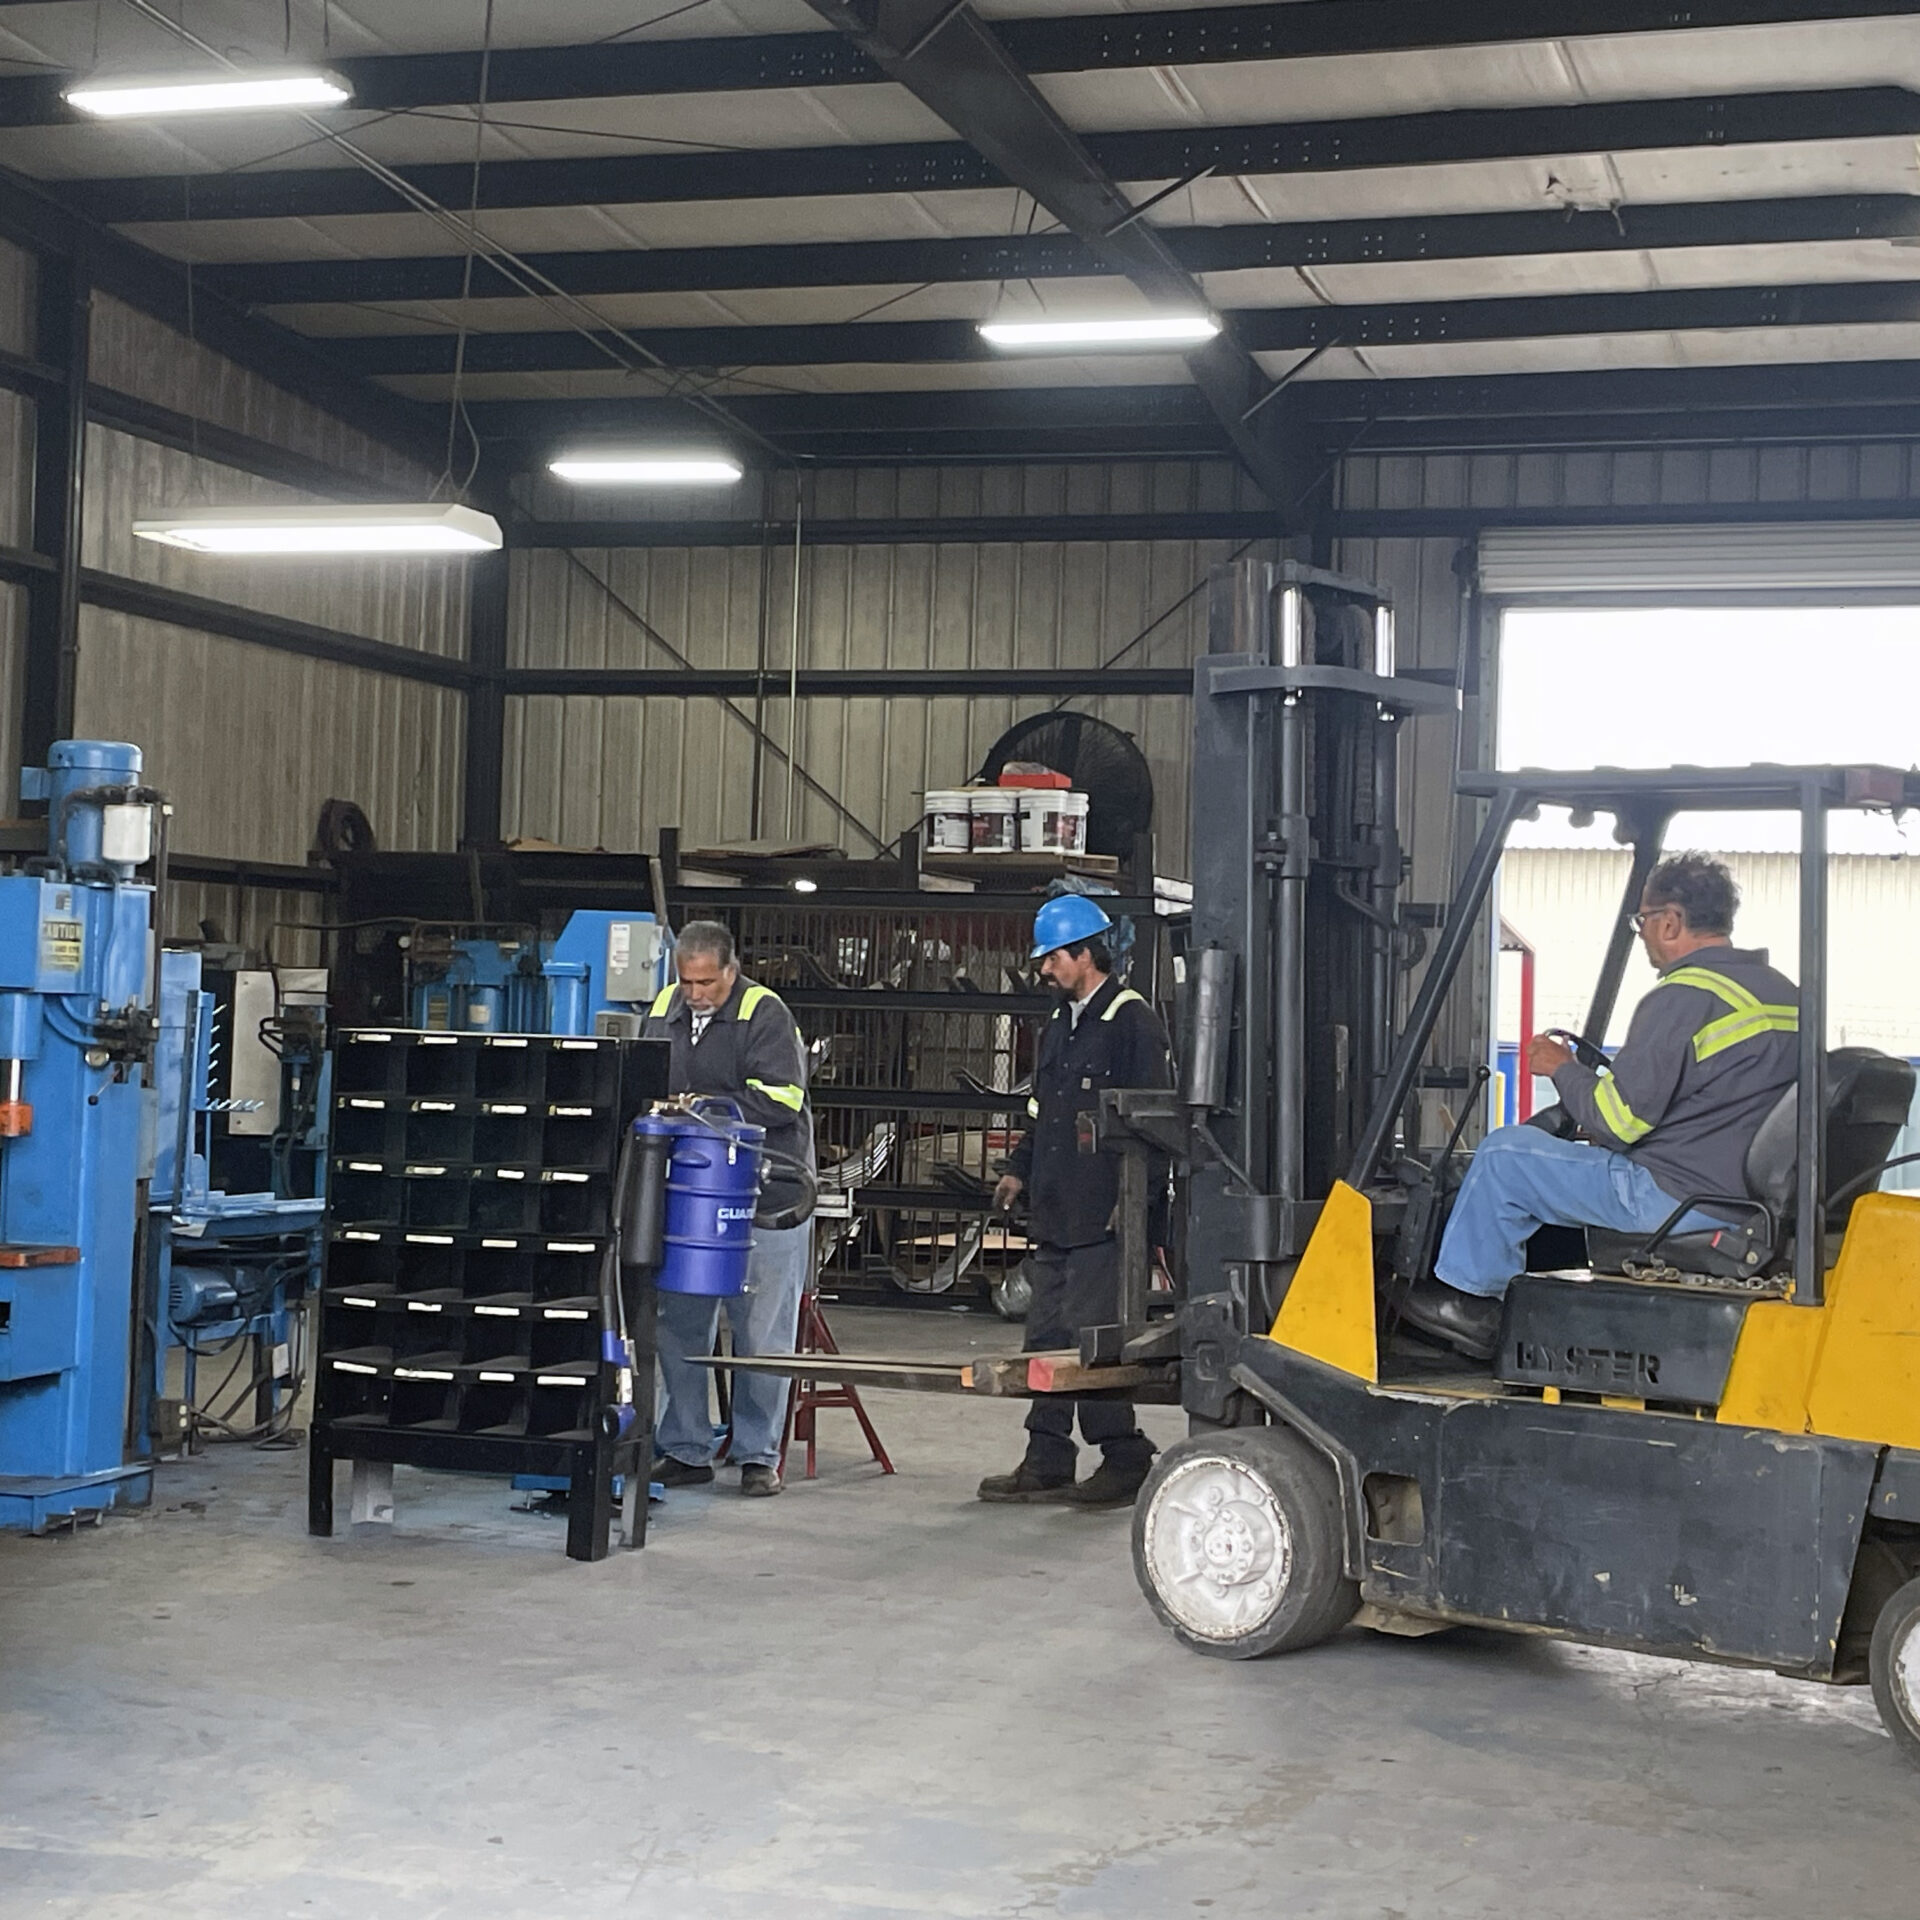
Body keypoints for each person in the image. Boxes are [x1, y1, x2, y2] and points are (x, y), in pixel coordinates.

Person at [1403, 853, 1799, 1360]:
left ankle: (1472, 1305)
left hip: (1672, 1197)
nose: (1644, 936)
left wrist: (1561, 1068)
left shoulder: (1683, 996)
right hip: (1743, 1200)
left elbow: (1618, 1121)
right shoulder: (1783, 994)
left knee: (1504, 1155)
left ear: (1671, 921)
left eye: (1643, 921)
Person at [978, 894, 1173, 1509]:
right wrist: (1018, 1170)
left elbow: (1158, 1122)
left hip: (1108, 1217)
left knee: (1093, 1342)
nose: (1044, 970)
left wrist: (1133, 1202)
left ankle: (1124, 1454)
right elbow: (1046, 1108)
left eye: (1052, 958)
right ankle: (1047, 1456)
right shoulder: (1063, 1022)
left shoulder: (1131, 1022)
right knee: (1047, 1337)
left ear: (1086, 954)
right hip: (1060, 1212)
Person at [645, 921, 816, 1497]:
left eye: (706, 984)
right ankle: (687, 1448)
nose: (694, 994)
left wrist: (701, 1110)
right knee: (681, 1323)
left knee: (761, 1333)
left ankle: (757, 1455)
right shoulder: (665, 1006)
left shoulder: (764, 1013)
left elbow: (782, 1099)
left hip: (766, 1198)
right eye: (686, 981)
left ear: (731, 971)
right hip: (691, 1201)